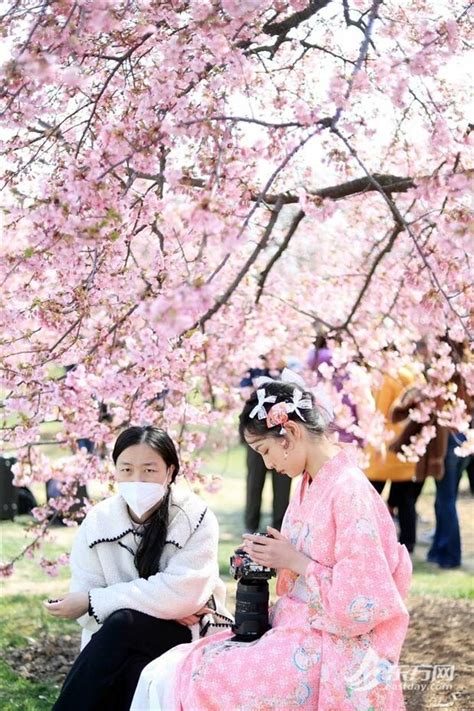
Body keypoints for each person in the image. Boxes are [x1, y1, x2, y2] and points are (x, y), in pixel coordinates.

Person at [132, 371, 412, 711]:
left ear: (290, 432)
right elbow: (303, 566)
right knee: (166, 670)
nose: (267, 463)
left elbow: (364, 602)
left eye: (265, 451)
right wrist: (272, 555)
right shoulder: (311, 483)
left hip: (336, 648)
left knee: (195, 675)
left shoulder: (349, 491)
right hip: (301, 629)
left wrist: (295, 560)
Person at [45, 425, 232, 711]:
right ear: (115, 472)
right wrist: (160, 604)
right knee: (133, 668)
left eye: (149, 470)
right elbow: (88, 609)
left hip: (189, 632)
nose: (137, 480)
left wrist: (97, 601)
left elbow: (184, 594)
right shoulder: (98, 521)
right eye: (127, 470)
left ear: (170, 472)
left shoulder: (194, 516)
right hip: (118, 640)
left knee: (123, 623)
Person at [365, 367, 419, 552]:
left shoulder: (389, 376)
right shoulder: (416, 375)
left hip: (385, 447)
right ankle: (408, 543)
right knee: (406, 501)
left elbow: (380, 412)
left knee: (369, 499)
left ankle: (369, 540)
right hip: (407, 446)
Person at [240, 353, 291, 531]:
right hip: (257, 435)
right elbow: (245, 397)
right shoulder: (252, 369)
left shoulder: (287, 370)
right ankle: (250, 526)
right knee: (254, 482)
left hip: (282, 436)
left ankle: (280, 528)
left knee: (283, 484)